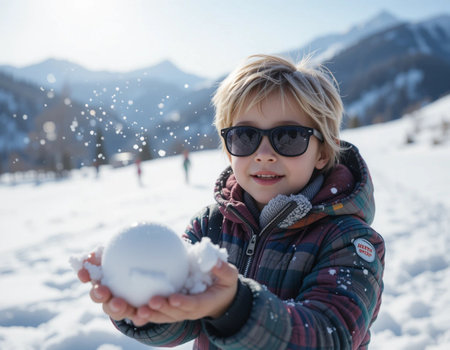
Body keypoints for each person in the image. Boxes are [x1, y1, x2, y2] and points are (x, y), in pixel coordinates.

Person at [78, 54, 385, 349]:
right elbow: (184, 319)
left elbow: (331, 335)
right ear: (228, 149)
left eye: (289, 137)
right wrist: (142, 305)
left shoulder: (348, 241)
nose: (264, 153)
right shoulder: (209, 226)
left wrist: (234, 308)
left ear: (322, 153)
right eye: (245, 137)